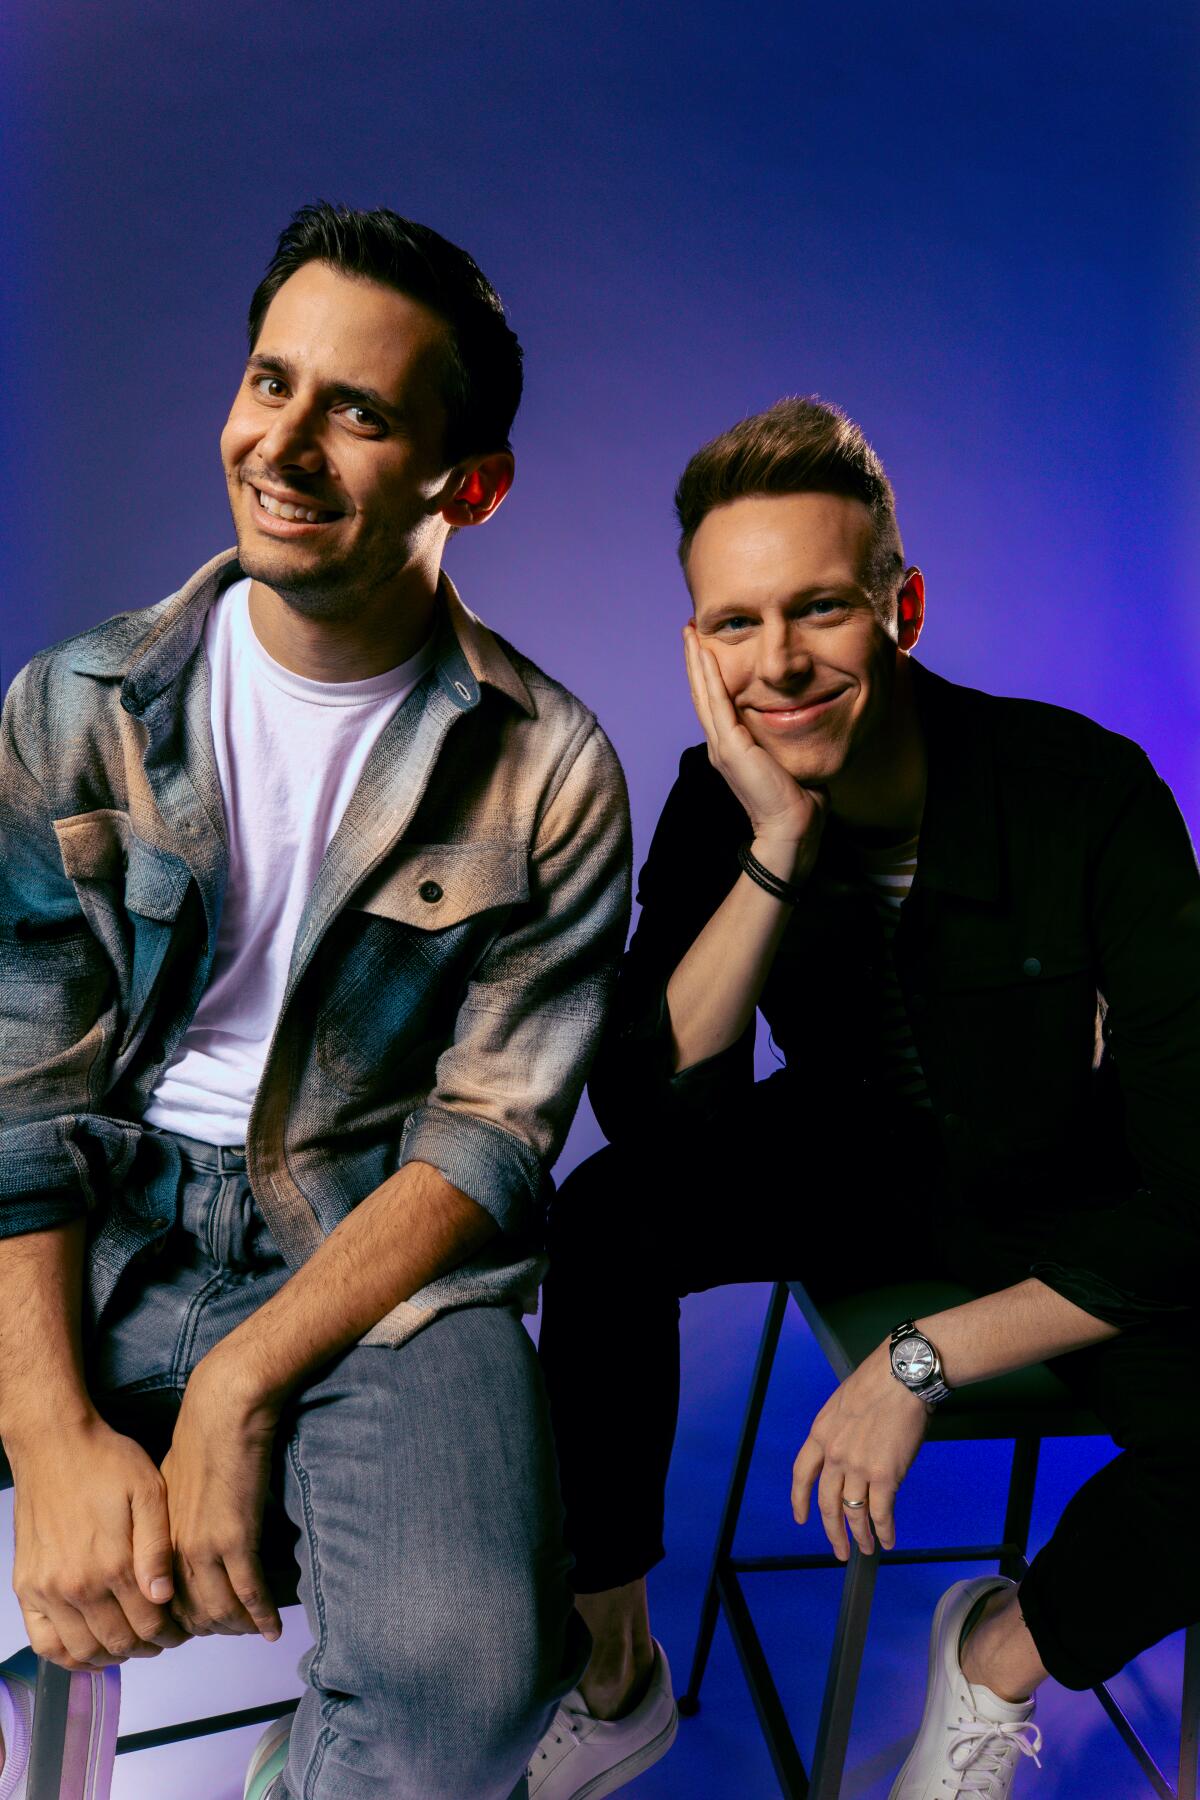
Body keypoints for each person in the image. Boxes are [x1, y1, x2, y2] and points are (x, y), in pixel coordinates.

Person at [0, 202, 631, 1800]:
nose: (283, 445)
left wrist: (241, 1375)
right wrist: (48, 1434)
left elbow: (488, 1140)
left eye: (357, 412)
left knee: (474, 1697)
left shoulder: (550, 769)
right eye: (270, 383)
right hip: (91, 1215)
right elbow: (19, 1086)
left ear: (463, 483)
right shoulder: (76, 708)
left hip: (368, 1247)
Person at [527, 397, 1200, 1800]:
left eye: (820, 609)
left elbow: (1193, 1186)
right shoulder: (719, 801)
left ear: (900, 608)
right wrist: (777, 846)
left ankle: (1001, 1652)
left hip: (1080, 1202)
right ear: (700, 643)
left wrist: (922, 1360)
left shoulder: (1087, 792)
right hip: (858, 1157)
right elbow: (645, 1112)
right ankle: (613, 1669)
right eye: (735, 623)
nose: (778, 663)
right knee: (603, 1221)